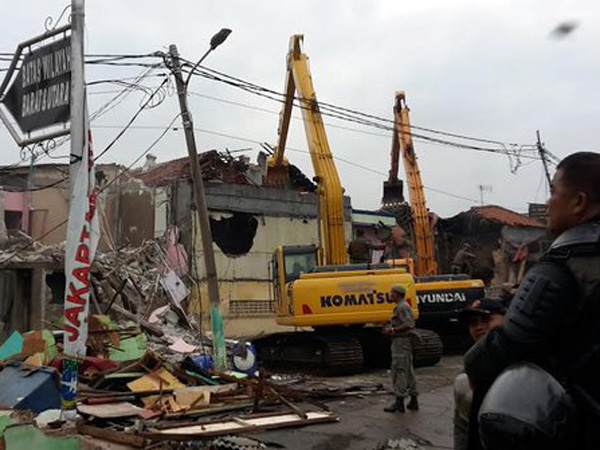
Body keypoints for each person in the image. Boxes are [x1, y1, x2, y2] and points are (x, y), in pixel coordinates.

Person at [464, 152, 600, 449]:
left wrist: (473, 363)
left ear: (578, 202)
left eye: (553, 192)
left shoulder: (560, 269)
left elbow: (507, 344)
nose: (548, 203)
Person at [454, 299, 507, 450]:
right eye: (473, 323)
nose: (479, 327)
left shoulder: (523, 367)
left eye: (486, 319)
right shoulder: (465, 379)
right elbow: (462, 429)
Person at [383, 284, 419, 413]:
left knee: (399, 370)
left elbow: (409, 324)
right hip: (404, 342)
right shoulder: (402, 307)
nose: (390, 295)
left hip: (401, 342)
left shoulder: (402, 307)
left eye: (392, 293)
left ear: (397, 294)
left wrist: (392, 330)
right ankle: (413, 400)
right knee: (408, 369)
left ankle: (399, 402)